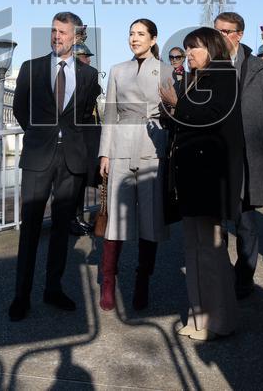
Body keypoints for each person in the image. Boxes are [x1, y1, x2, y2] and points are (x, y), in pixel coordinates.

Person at [8, 11, 100, 322]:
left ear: (76, 37)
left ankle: (53, 289)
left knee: (62, 229)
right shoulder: (31, 68)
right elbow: (20, 107)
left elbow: (85, 116)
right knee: (30, 228)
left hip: (71, 160)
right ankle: (21, 295)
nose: (56, 36)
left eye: (63, 32)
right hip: (37, 157)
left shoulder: (89, 76)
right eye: (53, 30)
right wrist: (40, 134)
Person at [160, 27, 244, 341]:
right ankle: (198, 319)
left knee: (210, 250)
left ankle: (220, 321)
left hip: (210, 176)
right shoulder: (195, 79)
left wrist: (177, 104)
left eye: (194, 48)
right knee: (193, 248)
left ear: (210, 48)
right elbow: (187, 121)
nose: (189, 54)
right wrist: (171, 108)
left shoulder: (223, 76)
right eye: (186, 48)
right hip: (191, 174)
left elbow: (213, 115)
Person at [98, 19, 174, 311]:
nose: (134, 38)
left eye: (141, 34)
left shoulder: (166, 71)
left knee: (150, 221)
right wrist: (104, 153)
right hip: (120, 147)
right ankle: (108, 281)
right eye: (131, 33)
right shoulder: (118, 70)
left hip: (153, 146)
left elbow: (172, 112)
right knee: (115, 219)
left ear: (154, 39)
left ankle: (143, 281)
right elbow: (110, 115)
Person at [213, 12, 263, 299]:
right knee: (217, 222)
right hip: (217, 156)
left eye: (226, 31)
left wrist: (255, 142)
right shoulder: (209, 67)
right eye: (216, 31)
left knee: (246, 223)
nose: (220, 36)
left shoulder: (257, 68)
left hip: (246, 157)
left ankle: (244, 276)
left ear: (239, 33)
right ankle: (220, 273)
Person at [70, 42, 99, 236]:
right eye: (86, 56)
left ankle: (77, 217)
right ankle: (72, 219)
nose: (89, 60)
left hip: (87, 137)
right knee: (73, 184)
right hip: (77, 138)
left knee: (81, 182)